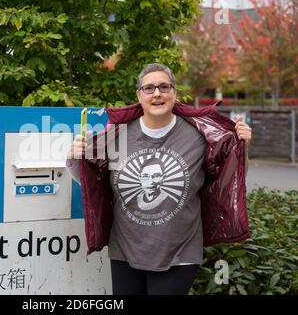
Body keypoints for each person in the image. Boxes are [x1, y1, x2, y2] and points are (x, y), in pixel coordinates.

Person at [66, 63, 252, 295]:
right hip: (125, 250)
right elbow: (91, 183)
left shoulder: (198, 136)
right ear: (139, 95)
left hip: (180, 253)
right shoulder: (118, 135)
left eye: (164, 87)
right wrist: (75, 158)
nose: (157, 93)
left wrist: (243, 148)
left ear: (174, 92)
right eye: (149, 88)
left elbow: (228, 180)